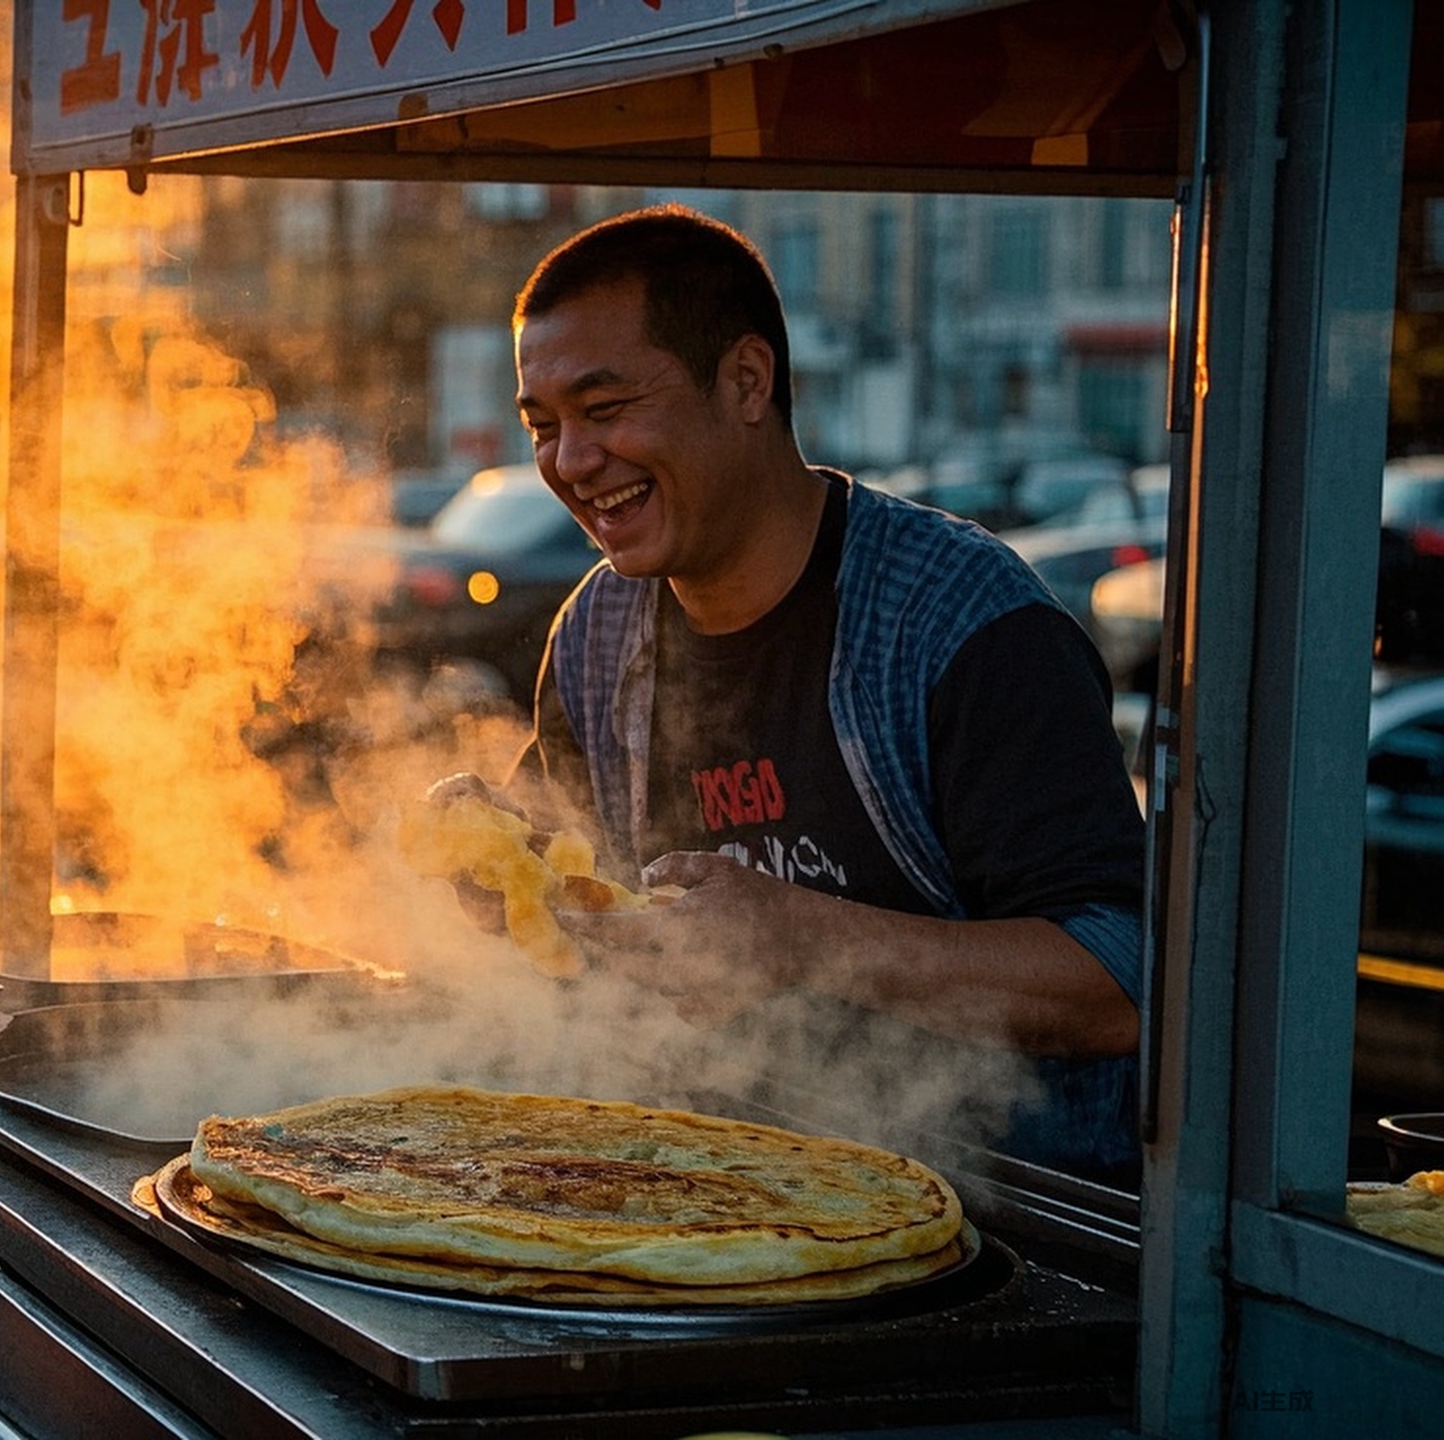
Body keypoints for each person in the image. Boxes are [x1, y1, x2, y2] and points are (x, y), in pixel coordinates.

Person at [446, 206, 1145, 1180]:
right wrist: (500, 869)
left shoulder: (963, 624)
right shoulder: (596, 638)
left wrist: (796, 938)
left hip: (1004, 1234)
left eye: (602, 411)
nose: (568, 462)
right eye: (543, 426)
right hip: (714, 1198)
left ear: (744, 381)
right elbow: (581, 897)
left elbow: (1116, 984)